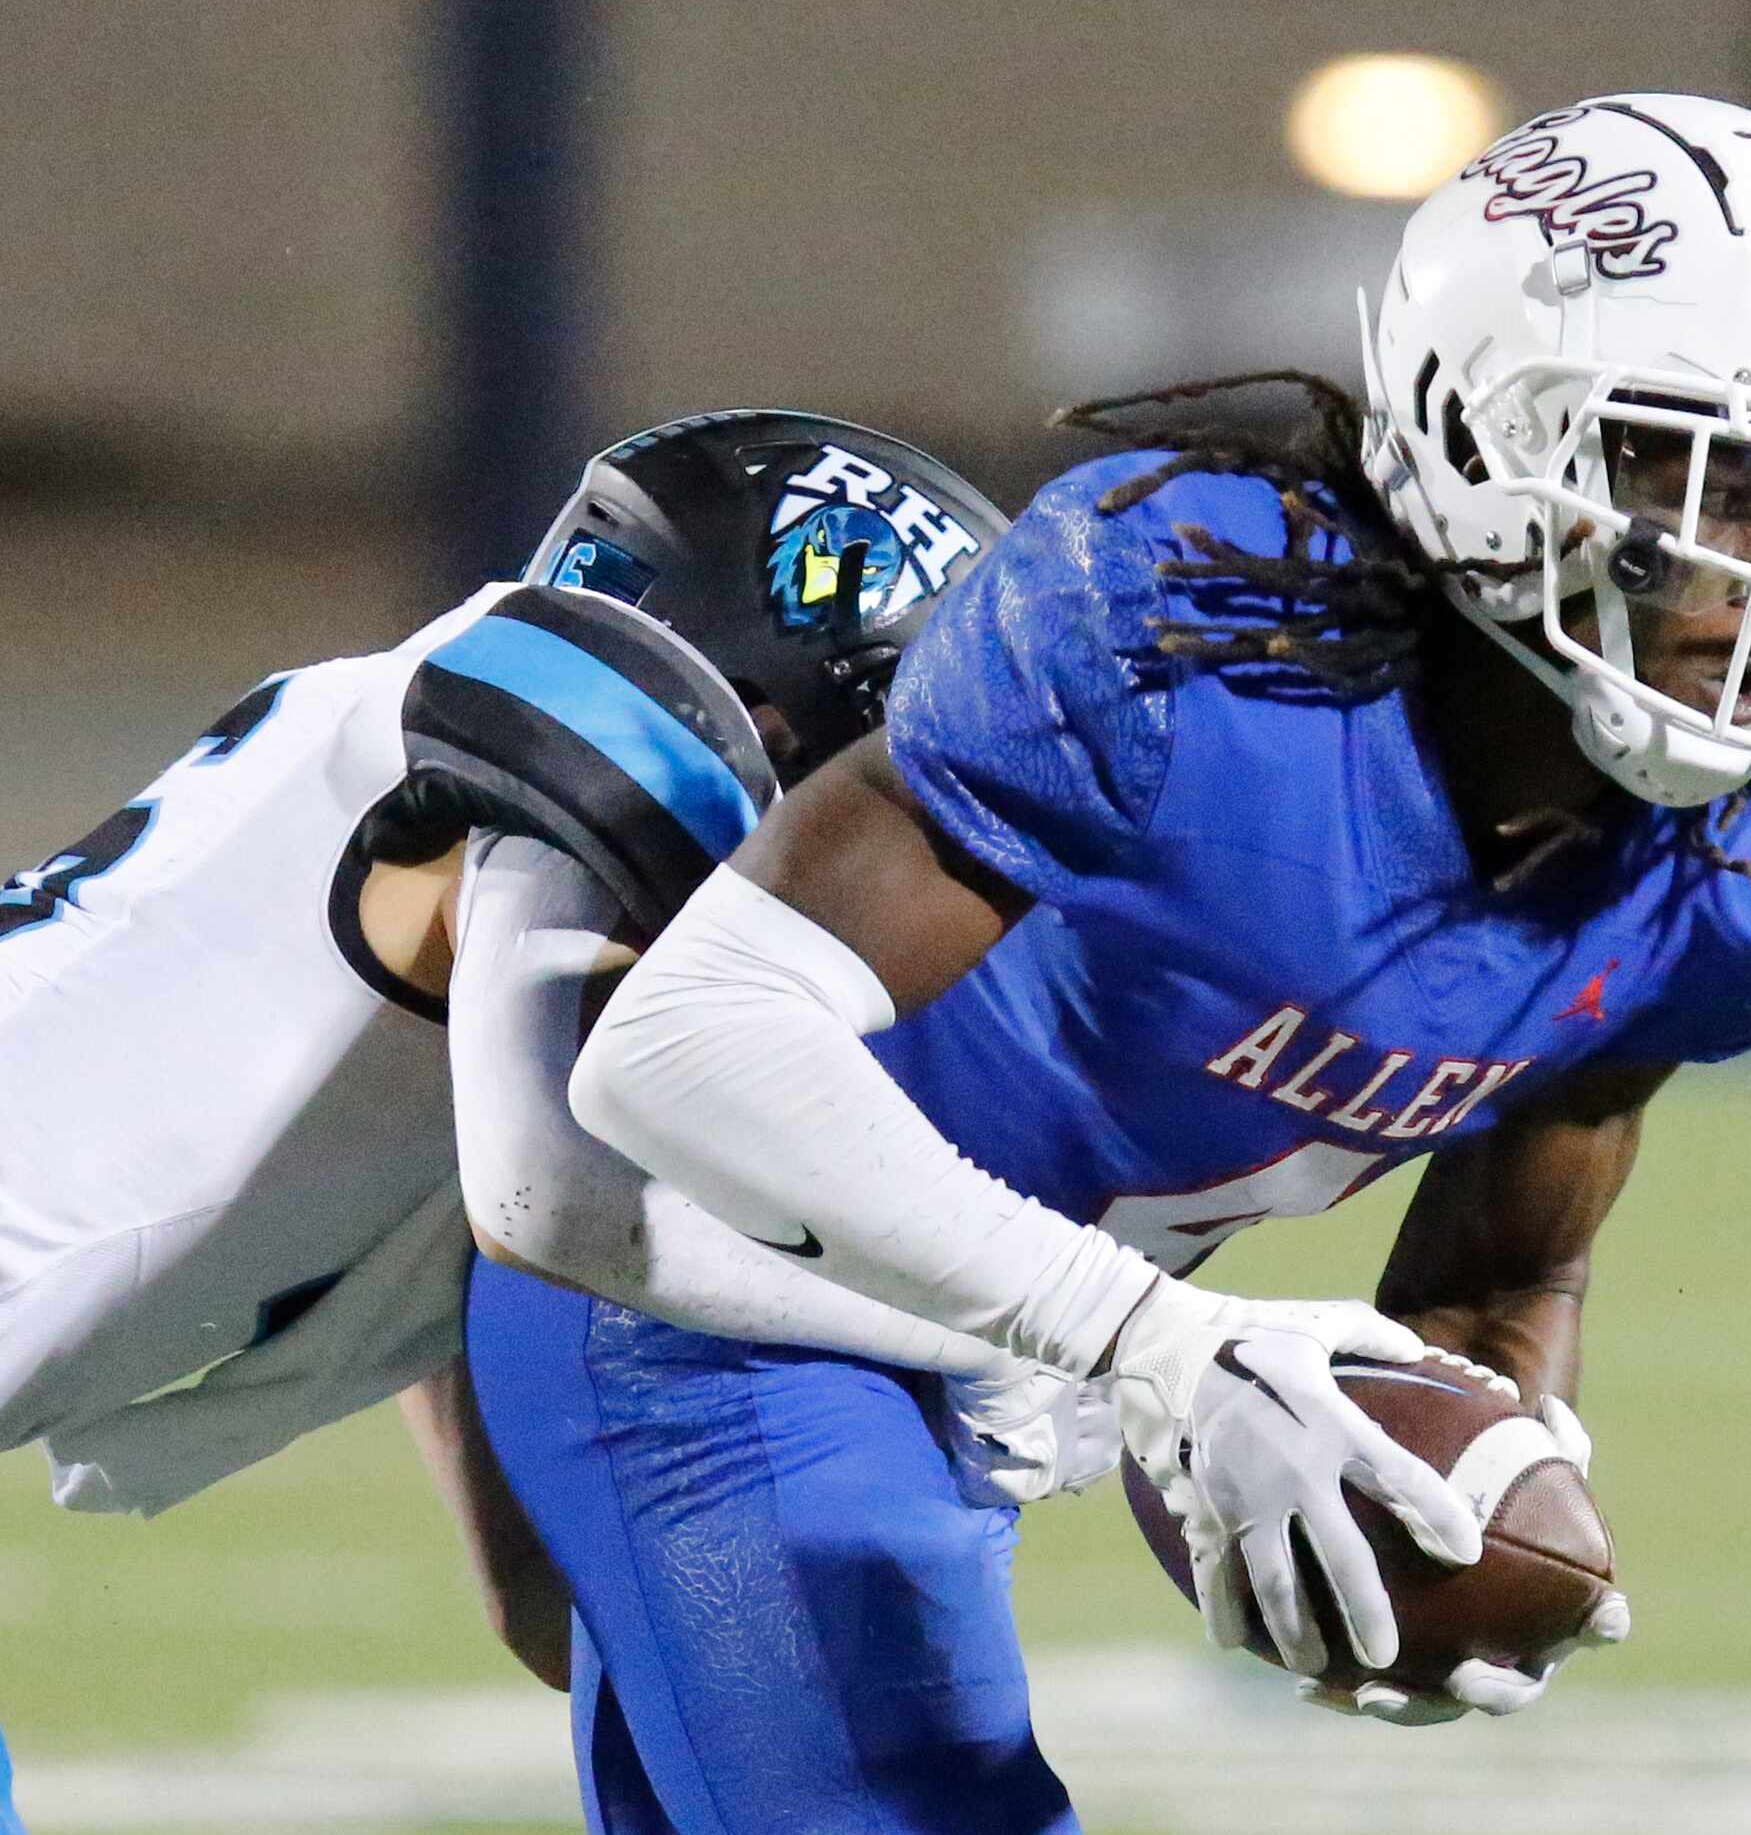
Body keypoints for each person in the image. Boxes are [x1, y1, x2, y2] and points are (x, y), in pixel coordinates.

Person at [476, 92, 1751, 1831]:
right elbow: (679, 1044)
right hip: (706, 1280)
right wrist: (1158, 1343)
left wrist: (1451, 1478)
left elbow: (1502, 1276)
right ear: (1488, 435)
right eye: (1689, 472)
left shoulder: (1735, 860)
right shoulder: (1197, 635)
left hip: (1015, 1342)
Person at [0, 410, 1055, 1703]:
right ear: (785, 709)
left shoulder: (493, 895)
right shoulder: (584, 718)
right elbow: (543, 1198)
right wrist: (1028, 1324)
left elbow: (536, 1599)